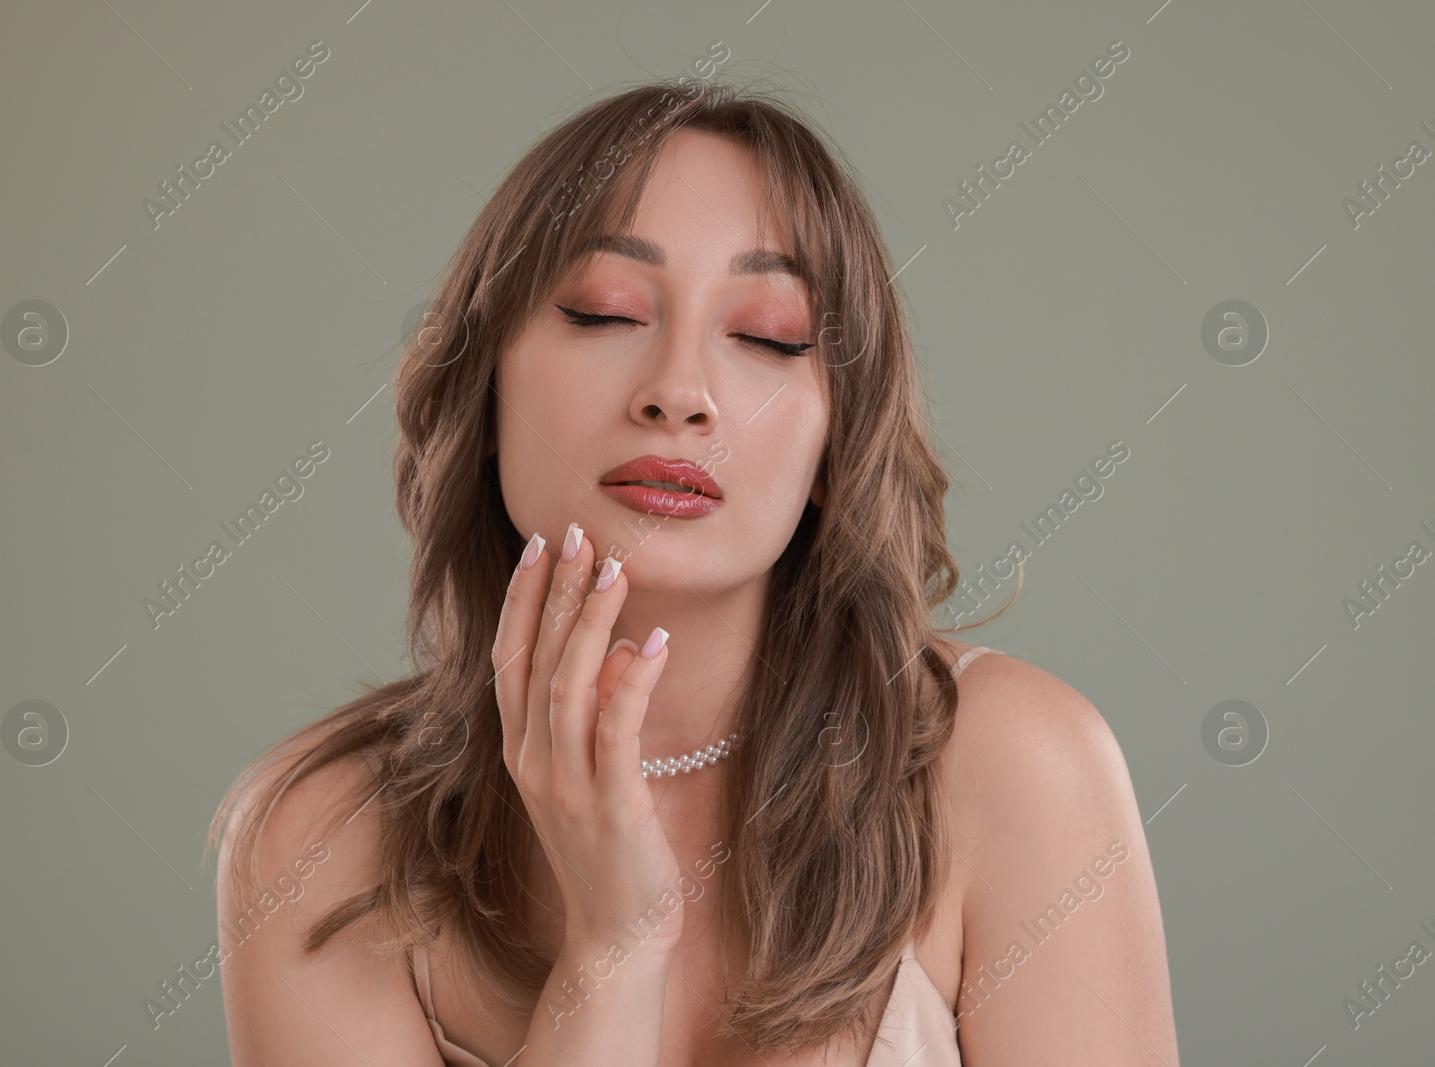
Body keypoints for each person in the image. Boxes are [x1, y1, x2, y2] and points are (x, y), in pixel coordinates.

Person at [207, 79, 1178, 1066]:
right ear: (484, 392)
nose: (680, 392)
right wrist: (614, 950)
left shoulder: (1015, 765)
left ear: (833, 439)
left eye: (766, 334)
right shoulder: (319, 837)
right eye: (603, 312)